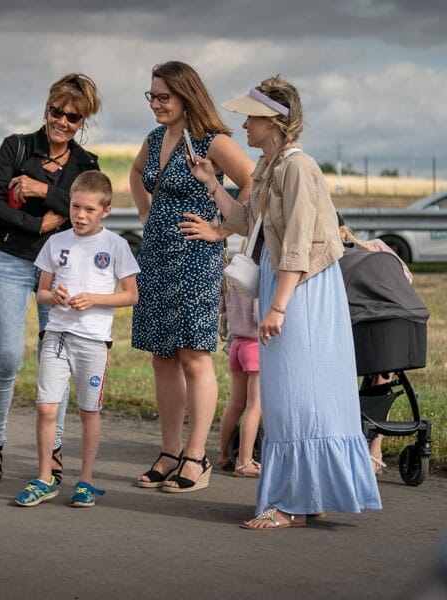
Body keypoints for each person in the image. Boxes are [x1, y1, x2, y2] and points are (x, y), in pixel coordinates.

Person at [192, 75, 381, 528]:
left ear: (274, 121)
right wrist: (211, 184)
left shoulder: (297, 167)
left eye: (251, 118)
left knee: (298, 393)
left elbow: (297, 242)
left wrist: (278, 305)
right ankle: (306, 493)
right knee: (293, 394)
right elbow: (244, 221)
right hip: (290, 281)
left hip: (303, 287)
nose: (243, 127)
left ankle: (291, 503)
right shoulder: (269, 167)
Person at [130, 61, 254, 493]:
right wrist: (148, 213)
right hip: (156, 259)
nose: (156, 104)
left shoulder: (212, 141)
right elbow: (135, 174)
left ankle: (196, 457)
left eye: (164, 96)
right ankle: (168, 453)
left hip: (197, 259)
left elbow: (253, 185)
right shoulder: (154, 138)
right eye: (152, 96)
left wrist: (221, 229)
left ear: (187, 96)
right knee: (162, 357)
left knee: (193, 357)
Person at [0, 74, 103, 484]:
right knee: (9, 358)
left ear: (82, 121)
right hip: (11, 261)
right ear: (46, 106)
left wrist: (39, 188)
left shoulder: (87, 164)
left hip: (61, 267)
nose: (62, 122)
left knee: (58, 362)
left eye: (73, 116)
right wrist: (39, 223)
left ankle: (53, 450)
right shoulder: (16, 146)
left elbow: (83, 205)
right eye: (56, 111)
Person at [14, 171, 140, 507]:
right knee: (45, 408)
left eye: (88, 209)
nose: (80, 215)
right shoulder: (56, 243)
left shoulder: (116, 246)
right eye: (75, 207)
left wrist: (94, 298)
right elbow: (41, 292)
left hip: (94, 342)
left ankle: (85, 481)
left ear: (106, 211)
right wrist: (53, 296)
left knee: (88, 412)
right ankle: (44, 478)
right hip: (56, 335)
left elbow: (131, 296)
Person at [338, 213, 413, 475]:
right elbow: (406, 282)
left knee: (374, 379)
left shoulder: (340, 258)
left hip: (361, 331)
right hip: (393, 331)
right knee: (384, 379)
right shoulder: (381, 248)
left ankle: (370, 449)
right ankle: (375, 451)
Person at [216, 275, 262, 478]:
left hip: (236, 344)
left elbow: (222, 308)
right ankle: (244, 461)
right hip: (255, 345)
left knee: (235, 404)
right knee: (255, 405)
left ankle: (224, 454)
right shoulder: (258, 279)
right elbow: (259, 314)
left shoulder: (233, 276)